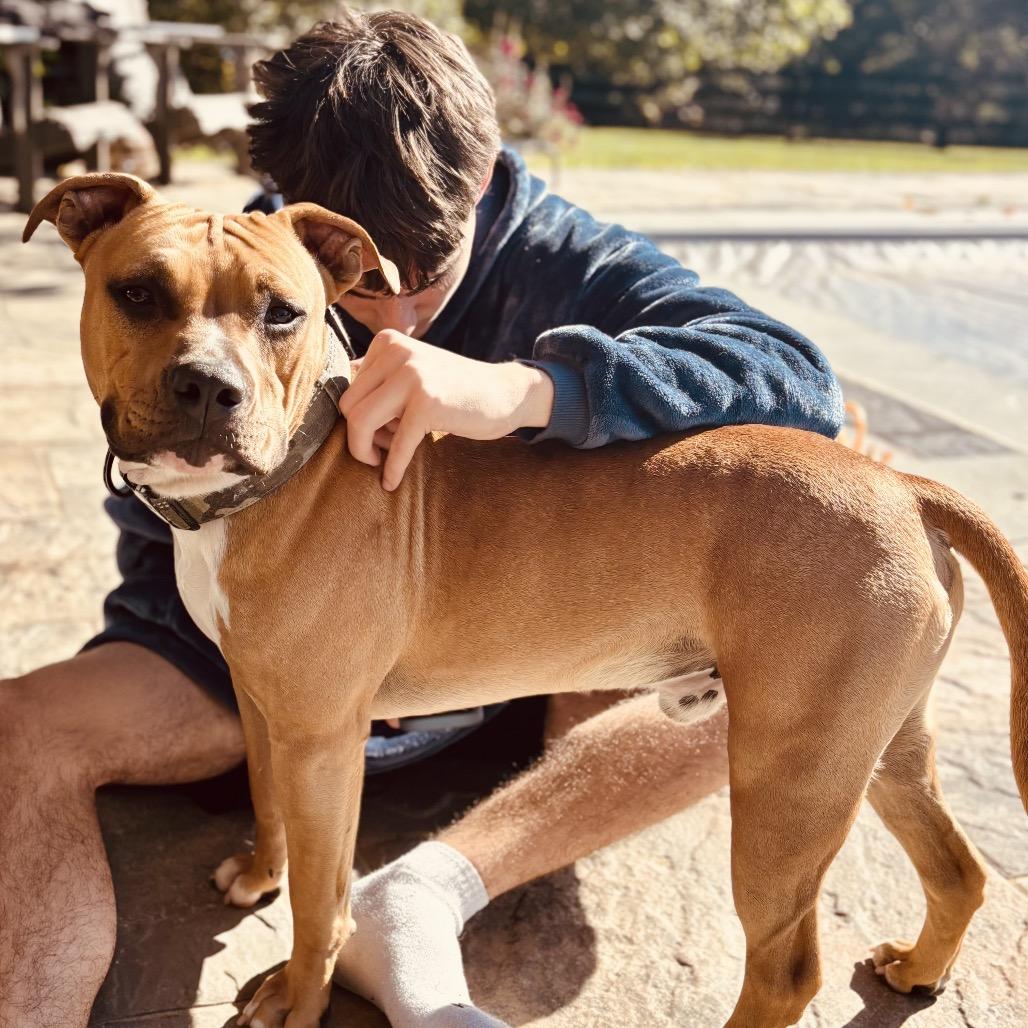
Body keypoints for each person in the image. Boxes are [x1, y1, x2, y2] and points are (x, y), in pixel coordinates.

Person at [0, 10, 844, 1027]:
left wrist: (527, 389)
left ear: (484, 177)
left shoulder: (568, 258)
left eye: (425, 275)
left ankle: (425, 888)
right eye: (355, 296)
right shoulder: (254, 252)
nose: (390, 316)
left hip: (520, 665)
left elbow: (797, 377)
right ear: (292, 200)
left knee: (770, 688)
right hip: (237, 652)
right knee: (19, 727)